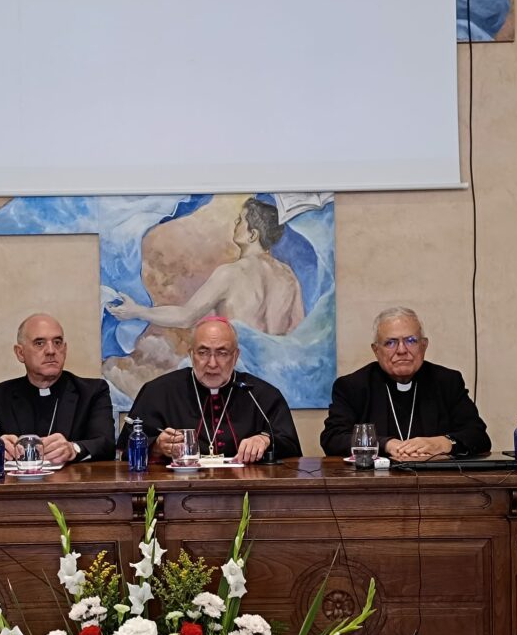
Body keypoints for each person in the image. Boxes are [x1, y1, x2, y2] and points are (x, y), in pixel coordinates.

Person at [117, 316, 301, 463]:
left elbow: (292, 447)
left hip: (247, 493)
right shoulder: (158, 392)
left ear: (235, 356)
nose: (212, 363)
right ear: (191, 354)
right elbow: (124, 450)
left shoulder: (261, 395)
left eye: (222, 353)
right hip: (176, 494)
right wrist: (156, 446)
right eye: (203, 353)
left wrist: (265, 440)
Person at [108, 198, 304, 336]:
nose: (235, 225)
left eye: (240, 221)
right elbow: (299, 333)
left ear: (252, 235)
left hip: (238, 372)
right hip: (271, 379)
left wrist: (137, 312)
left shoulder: (231, 273)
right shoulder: (288, 276)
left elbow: (186, 317)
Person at [320, 306, 490, 460]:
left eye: (411, 341)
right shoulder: (352, 386)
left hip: (437, 484)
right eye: (390, 343)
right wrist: (386, 444)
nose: (401, 350)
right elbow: (333, 438)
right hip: (374, 485)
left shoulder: (447, 382)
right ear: (376, 350)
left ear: (423, 346)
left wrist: (442, 443)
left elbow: (478, 436)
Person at [0, 314, 115, 465]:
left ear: (65, 349)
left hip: (70, 485)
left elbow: (106, 444)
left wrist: (73, 449)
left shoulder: (92, 392)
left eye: (57, 342)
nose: (51, 350)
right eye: (39, 343)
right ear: (20, 353)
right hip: (16, 486)